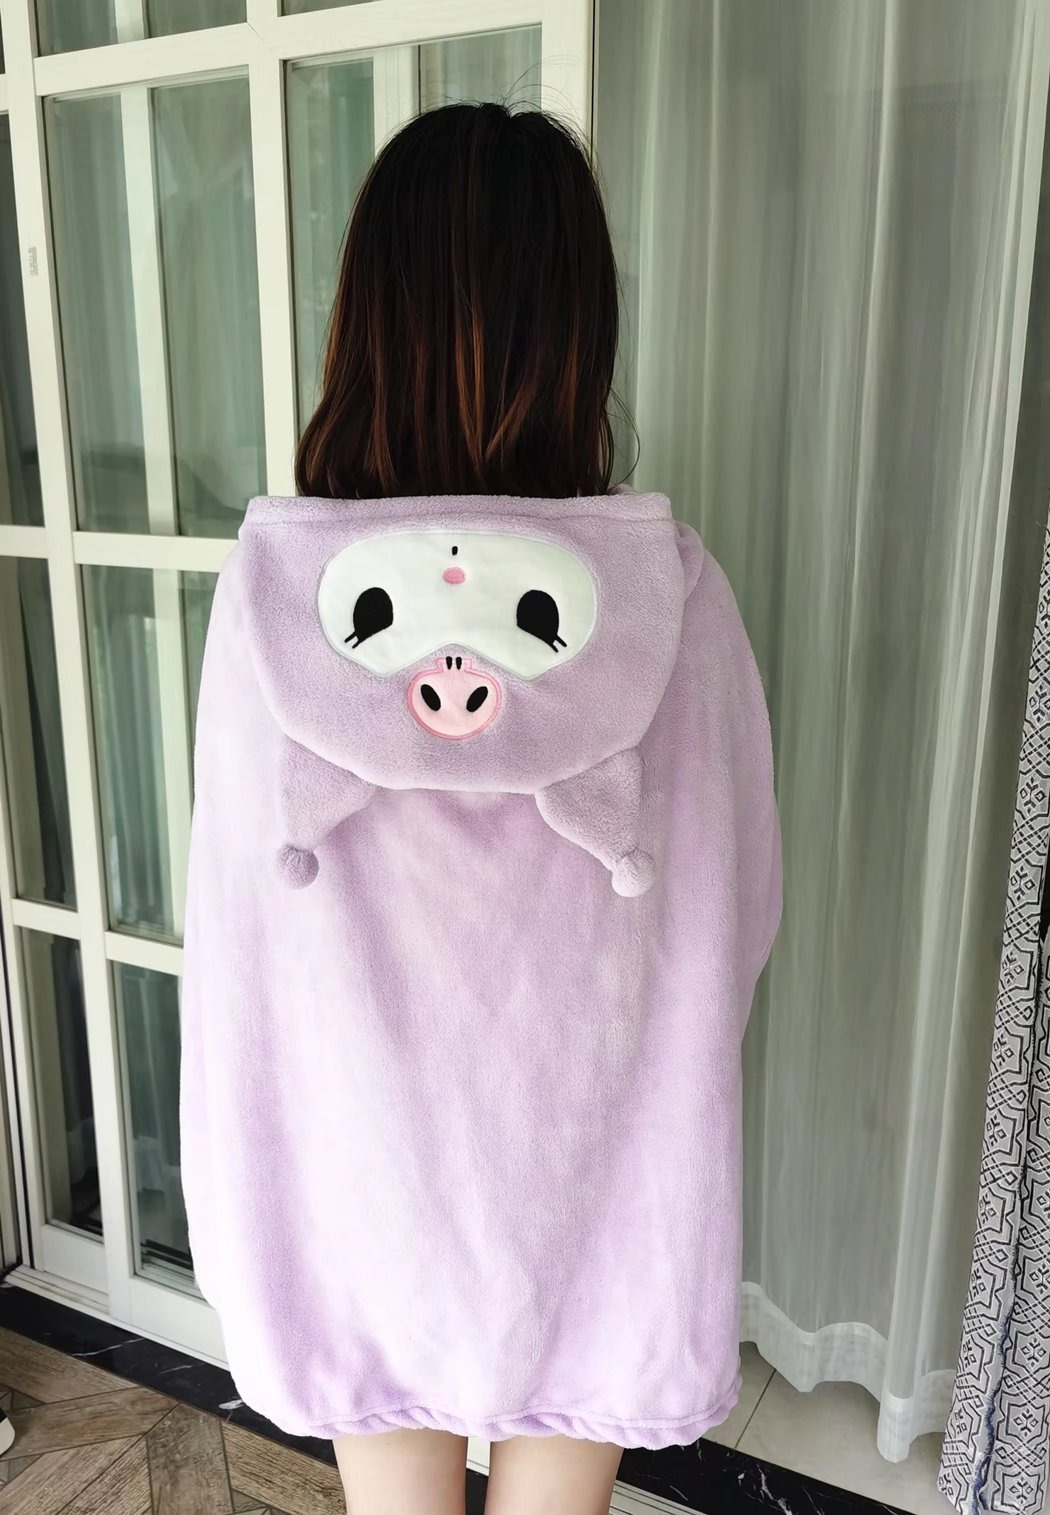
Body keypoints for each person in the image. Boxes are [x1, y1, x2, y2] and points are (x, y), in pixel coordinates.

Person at [179, 101, 782, 1515]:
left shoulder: (276, 614)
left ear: (364, 319)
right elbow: (735, 910)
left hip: (355, 1177)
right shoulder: (671, 603)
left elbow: (237, 939)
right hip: (599, 1174)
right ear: (578, 327)